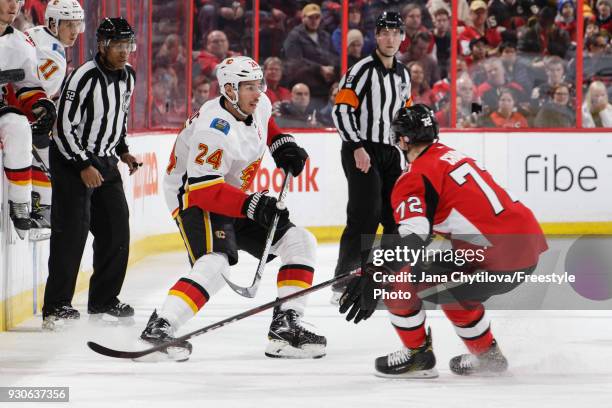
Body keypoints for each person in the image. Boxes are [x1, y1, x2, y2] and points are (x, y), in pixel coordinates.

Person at [339, 104, 548, 378]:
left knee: (397, 281)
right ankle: (488, 358)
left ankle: (417, 357)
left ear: (402, 140)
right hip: (528, 245)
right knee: (454, 288)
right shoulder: (451, 155)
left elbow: (415, 237)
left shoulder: (413, 176)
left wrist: (378, 270)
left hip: (498, 258)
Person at [140, 56, 325, 361]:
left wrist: (282, 145)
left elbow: (266, 126)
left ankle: (286, 329)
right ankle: (160, 328)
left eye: (258, 84)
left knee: (300, 242)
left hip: (229, 192)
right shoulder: (213, 129)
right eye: (249, 87)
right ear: (229, 89)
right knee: (216, 262)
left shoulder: (258, 103)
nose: (258, 92)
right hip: (193, 196)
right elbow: (204, 190)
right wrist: (253, 205)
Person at [42, 17, 140, 330]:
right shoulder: (83, 77)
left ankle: (104, 301)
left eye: (128, 45)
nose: (124, 52)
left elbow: (119, 118)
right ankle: (56, 306)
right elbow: (63, 127)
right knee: (71, 234)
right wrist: (82, 165)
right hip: (73, 163)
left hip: (107, 162)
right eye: (118, 45)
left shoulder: (129, 77)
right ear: (102, 45)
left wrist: (123, 149)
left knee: (117, 231)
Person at [331, 11, 411, 302]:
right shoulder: (362, 70)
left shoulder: (404, 73)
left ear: (402, 37)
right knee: (366, 214)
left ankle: (382, 276)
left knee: (394, 215)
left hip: (391, 152)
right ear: (376, 36)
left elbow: (404, 112)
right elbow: (341, 110)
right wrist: (356, 147)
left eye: (395, 32)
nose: (390, 38)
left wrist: (406, 150)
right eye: (385, 32)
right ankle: (346, 278)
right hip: (362, 148)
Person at [24, 0, 85, 239]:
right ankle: (42, 212)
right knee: (46, 147)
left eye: (77, 24)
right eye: (69, 25)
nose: (74, 31)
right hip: (14, 109)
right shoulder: (56, 57)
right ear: (53, 23)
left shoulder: (35, 33)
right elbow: (34, 98)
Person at [0, 0, 56, 239]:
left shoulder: (21, 43)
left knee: (19, 125)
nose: (14, 5)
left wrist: (41, 105)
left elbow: (28, 87)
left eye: (17, 0)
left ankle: (21, 205)